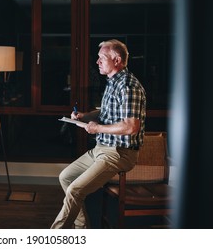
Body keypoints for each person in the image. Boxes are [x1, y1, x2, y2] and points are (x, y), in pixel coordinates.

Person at [50, 39, 146, 229]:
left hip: (119, 153)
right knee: (66, 177)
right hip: (101, 149)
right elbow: (105, 113)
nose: (97, 62)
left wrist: (97, 128)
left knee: (75, 190)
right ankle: (83, 229)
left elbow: (130, 127)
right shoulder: (112, 83)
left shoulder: (129, 86)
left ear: (116, 60)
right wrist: (85, 116)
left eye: (102, 58)